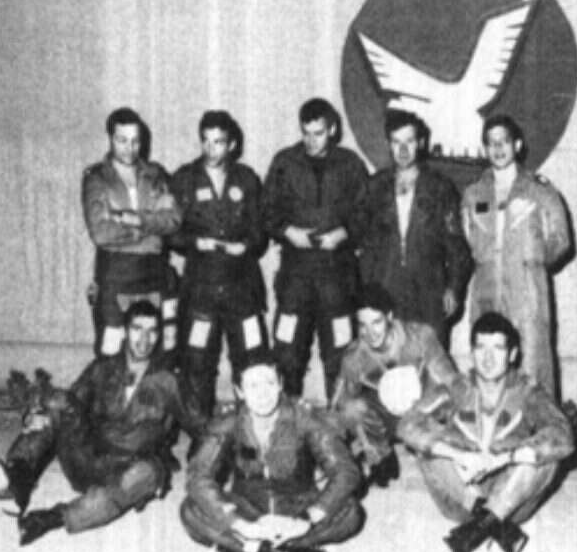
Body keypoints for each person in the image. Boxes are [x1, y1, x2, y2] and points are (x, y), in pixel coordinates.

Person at [0, 300, 205, 545]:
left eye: (152, 331)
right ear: (125, 331)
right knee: (59, 403)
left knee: (150, 472)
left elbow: (202, 427)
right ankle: (17, 476)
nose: (144, 339)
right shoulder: (102, 368)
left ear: (159, 335)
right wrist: (39, 408)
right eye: (137, 329)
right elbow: (70, 402)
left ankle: (52, 518)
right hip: (85, 459)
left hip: (125, 473)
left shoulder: (169, 382)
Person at [399, 312, 574, 552]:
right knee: (427, 444)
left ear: (512, 354)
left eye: (498, 349)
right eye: (481, 348)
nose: (488, 358)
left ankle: (479, 528)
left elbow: (563, 435)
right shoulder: (457, 388)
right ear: (472, 353)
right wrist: (459, 455)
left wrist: (504, 458)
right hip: (460, 498)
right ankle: (491, 522)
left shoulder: (527, 391)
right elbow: (408, 423)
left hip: (512, 502)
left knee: (544, 457)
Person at [181, 354, 364, 552]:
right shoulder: (228, 422)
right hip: (247, 509)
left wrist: (307, 518)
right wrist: (239, 524)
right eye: (253, 386)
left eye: (269, 383)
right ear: (240, 391)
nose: (262, 394)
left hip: (298, 505)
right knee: (190, 509)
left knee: (351, 512)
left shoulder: (304, 417)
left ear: (280, 385)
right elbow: (198, 475)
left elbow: (345, 471)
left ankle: (244, 549)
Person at [262, 98, 369, 399]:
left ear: (332, 129)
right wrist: (288, 232)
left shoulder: (350, 164)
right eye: (306, 133)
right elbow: (266, 210)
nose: (311, 141)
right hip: (296, 277)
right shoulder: (285, 163)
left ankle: (340, 422)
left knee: (340, 355)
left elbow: (366, 212)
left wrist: (343, 234)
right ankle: (287, 420)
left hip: (336, 278)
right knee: (287, 353)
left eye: (318, 133)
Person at [460, 115, 570, 397]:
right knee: (488, 367)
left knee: (532, 368)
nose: (498, 148)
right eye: (491, 142)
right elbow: (467, 242)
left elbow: (561, 242)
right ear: (485, 148)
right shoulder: (472, 194)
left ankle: (542, 424)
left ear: (517, 145)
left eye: (504, 141)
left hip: (526, 296)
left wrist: (531, 262)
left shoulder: (539, 191)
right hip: (486, 294)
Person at [170, 110, 268, 415]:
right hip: (202, 288)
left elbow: (260, 232)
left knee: (251, 358)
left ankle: (251, 428)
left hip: (242, 287)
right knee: (197, 360)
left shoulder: (247, 179)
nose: (211, 150)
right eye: (206, 141)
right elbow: (170, 233)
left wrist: (245, 246)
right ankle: (201, 431)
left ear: (232, 144)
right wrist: (196, 243)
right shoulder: (184, 179)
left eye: (219, 142)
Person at [360, 110, 472, 347]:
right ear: (388, 144)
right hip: (385, 288)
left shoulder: (440, 188)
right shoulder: (374, 187)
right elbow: (365, 245)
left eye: (409, 141)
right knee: (388, 359)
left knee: (431, 359)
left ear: (420, 143)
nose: (403, 150)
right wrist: (365, 292)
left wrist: (453, 287)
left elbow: (457, 247)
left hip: (429, 290)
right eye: (396, 142)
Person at [331, 283, 462, 484]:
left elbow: (451, 380)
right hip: (387, 419)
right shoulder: (354, 357)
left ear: (390, 316)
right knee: (351, 408)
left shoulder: (419, 337)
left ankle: (433, 447)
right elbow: (339, 405)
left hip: (423, 413)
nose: (370, 332)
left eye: (376, 322)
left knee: (444, 398)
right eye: (363, 325)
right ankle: (381, 456)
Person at [82, 107, 181, 357]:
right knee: (112, 351)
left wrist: (133, 219)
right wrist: (145, 230)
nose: (130, 148)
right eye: (122, 140)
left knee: (158, 351)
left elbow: (173, 220)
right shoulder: (97, 178)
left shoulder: (156, 174)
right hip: (116, 276)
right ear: (110, 138)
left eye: (136, 141)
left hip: (155, 274)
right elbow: (101, 232)